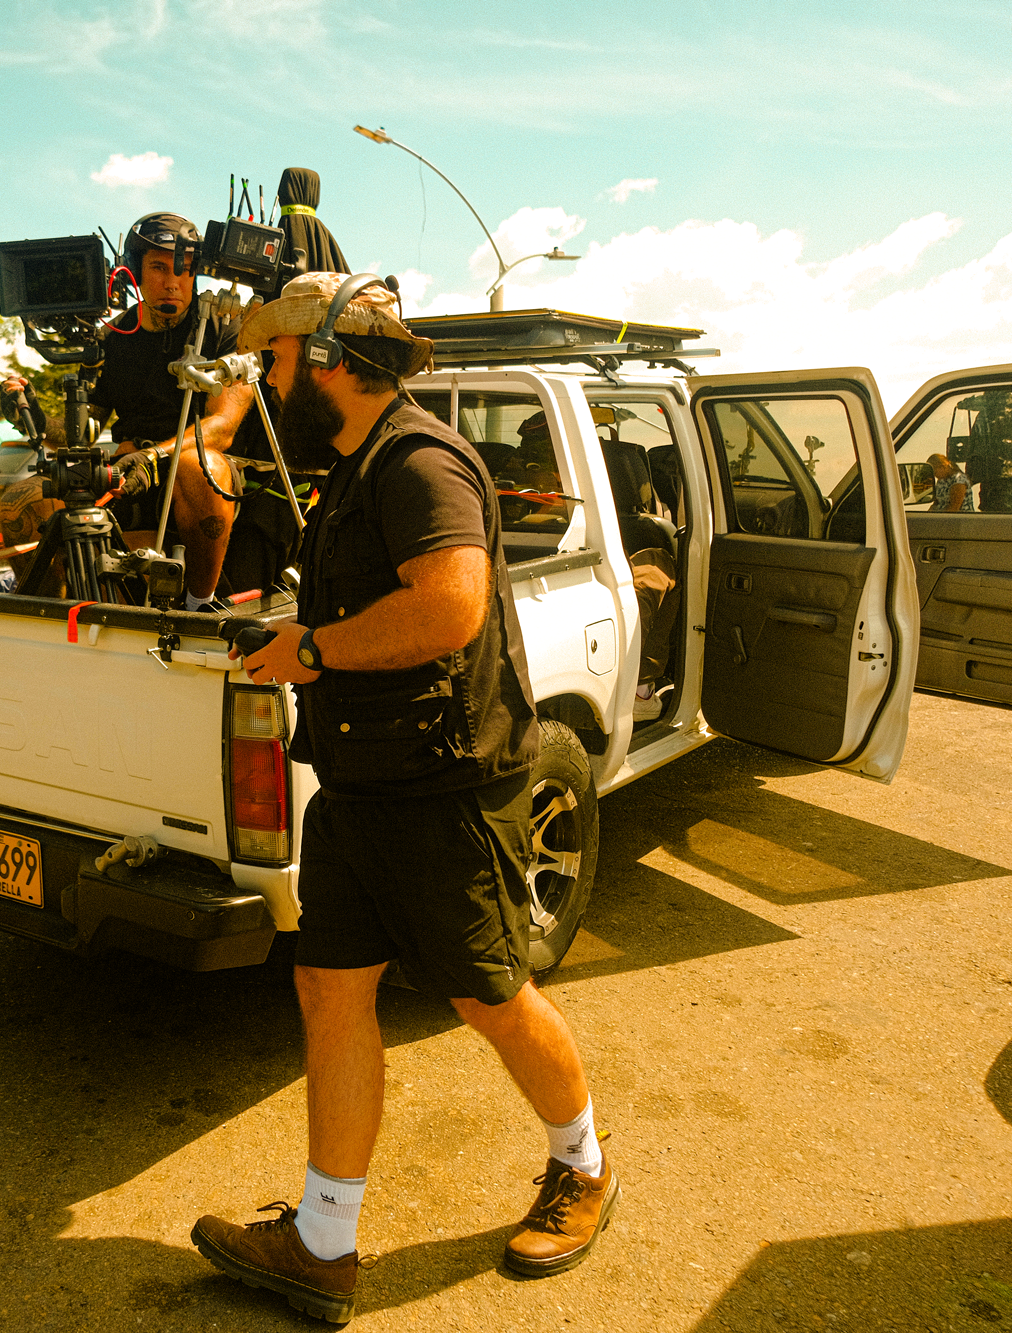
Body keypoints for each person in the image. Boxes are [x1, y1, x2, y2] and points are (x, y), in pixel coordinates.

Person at [191, 273, 615, 1322]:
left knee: (488, 997)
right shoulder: (349, 469)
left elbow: (449, 607)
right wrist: (289, 630)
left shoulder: (418, 462)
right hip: (359, 787)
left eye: (276, 362)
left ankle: (584, 1166)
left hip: (441, 794)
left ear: (328, 359)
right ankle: (321, 1241)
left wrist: (315, 648)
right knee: (330, 992)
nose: (268, 382)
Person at [89, 212, 256, 609]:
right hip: (128, 475)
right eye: (159, 267)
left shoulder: (222, 324)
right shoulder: (113, 336)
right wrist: (35, 417)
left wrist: (151, 455)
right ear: (134, 273)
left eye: (184, 270)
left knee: (198, 466)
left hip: (196, 470)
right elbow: (89, 421)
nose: (172, 282)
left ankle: (200, 605)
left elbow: (224, 424)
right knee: (23, 502)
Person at [959, 389, 1012, 513]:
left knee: (999, 509)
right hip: (989, 469)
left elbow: (1011, 416)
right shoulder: (988, 410)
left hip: (1002, 467)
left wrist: (972, 402)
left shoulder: (1009, 398)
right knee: (987, 506)